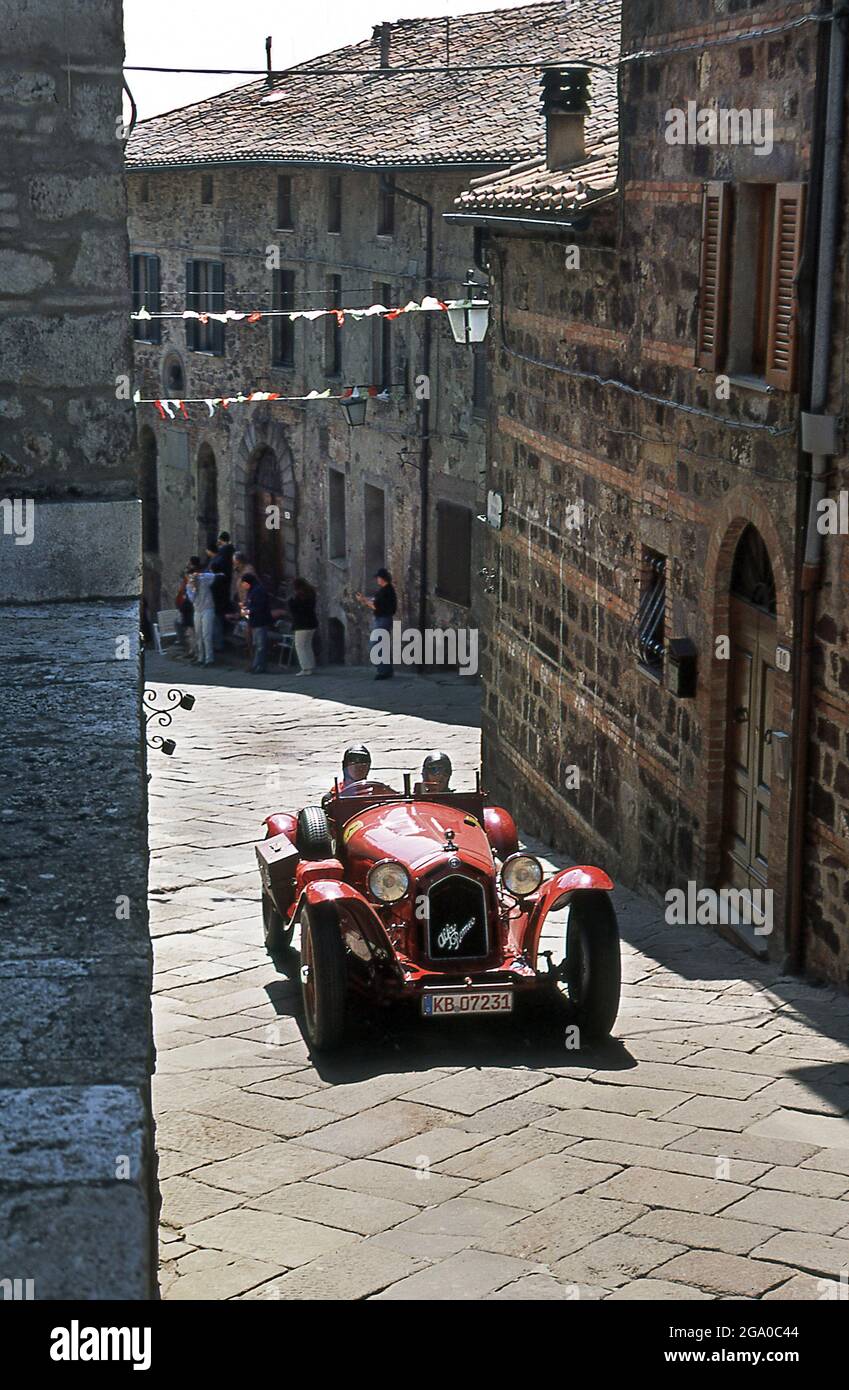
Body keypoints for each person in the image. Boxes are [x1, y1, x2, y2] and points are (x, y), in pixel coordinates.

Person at [356, 567, 397, 681]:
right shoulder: (385, 590)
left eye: (378, 578)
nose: (377, 580)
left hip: (383, 619)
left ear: (383, 578)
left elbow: (376, 605)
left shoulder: (386, 591)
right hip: (382, 618)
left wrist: (363, 600)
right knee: (381, 645)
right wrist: (365, 600)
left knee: (376, 645)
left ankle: (383, 671)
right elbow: (375, 603)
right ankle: (386, 670)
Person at [240, 572, 274, 674]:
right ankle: (256, 665)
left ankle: (259, 666)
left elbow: (260, 606)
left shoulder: (258, 591)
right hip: (255, 622)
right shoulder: (252, 590)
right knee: (256, 644)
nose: (243, 585)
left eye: (244, 583)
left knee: (260, 645)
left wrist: (248, 611)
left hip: (260, 621)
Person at [186, 557, 217, 666]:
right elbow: (192, 599)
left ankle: (209, 658)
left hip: (208, 608)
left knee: (206, 634)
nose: (191, 579)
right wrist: (193, 588)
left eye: (192, 577)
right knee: (198, 634)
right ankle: (200, 657)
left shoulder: (204, 580)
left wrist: (200, 576)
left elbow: (213, 576)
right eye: (189, 578)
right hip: (197, 610)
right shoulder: (189, 586)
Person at [288, 577, 317, 676]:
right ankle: (311, 666)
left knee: (300, 646)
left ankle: (305, 668)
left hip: (301, 625)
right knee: (307, 645)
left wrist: (290, 602)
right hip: (311, 623)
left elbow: (294, 609)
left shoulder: (299, 597)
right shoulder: (311, 594)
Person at [175, 556, 200, 658]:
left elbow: (190, 595)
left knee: (191, 631)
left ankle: (192, 651)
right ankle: (191, 650)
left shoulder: (193, 579)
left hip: (190, 609)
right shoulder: (189, 580)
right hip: (186, 608)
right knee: (189, 631)